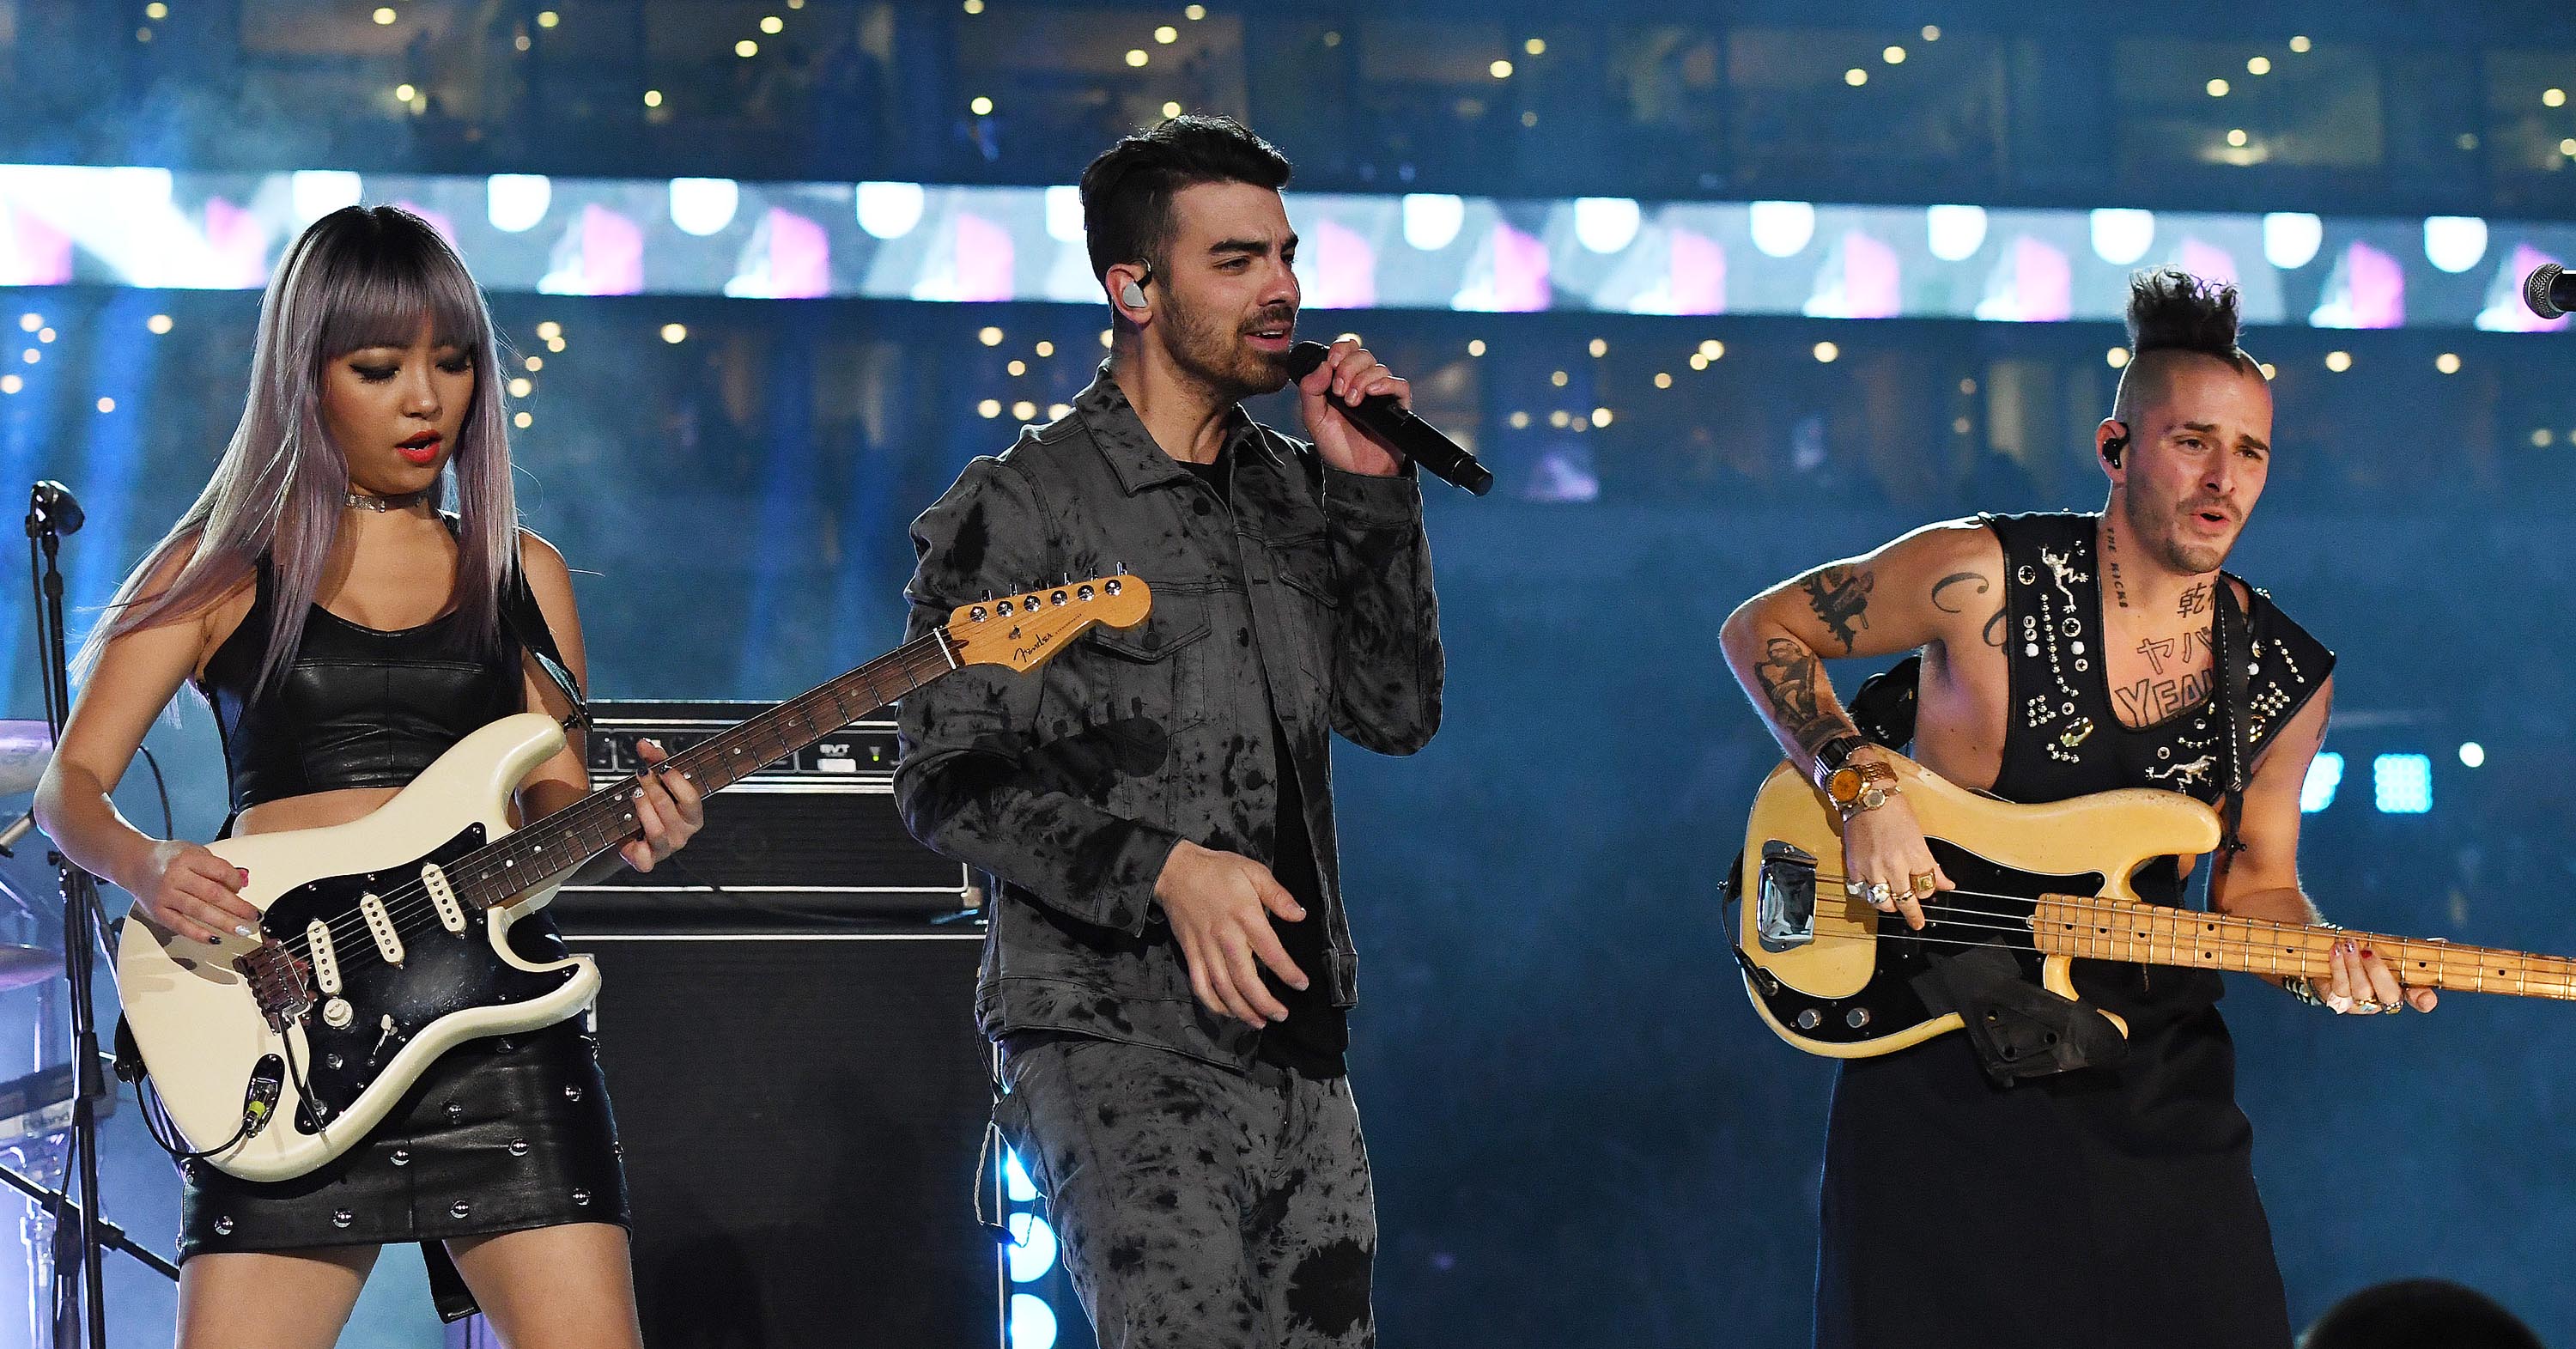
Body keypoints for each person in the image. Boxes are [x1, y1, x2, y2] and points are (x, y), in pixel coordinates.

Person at [1718, 268, 2432, 1349]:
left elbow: (2261, 887)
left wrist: (2327, 966)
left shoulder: (2283, 672)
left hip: (2158, 1096)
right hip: (1942, 1069)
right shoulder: (1980, 578)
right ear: (2116, 448)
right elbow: (1763, 628)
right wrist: (1858, 784)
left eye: (2250, 452)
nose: (2223, 478)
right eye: (2193, 441)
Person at [32, 205, 702, 1349]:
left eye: (453, 363)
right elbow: (68, 791)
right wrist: (147, 866)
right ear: (307, 375)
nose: (426, 399)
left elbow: (554, 810)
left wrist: (638, 824)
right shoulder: (223, 567)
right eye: (380, 366)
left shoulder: (520, 574)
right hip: (283, 1023)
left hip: (494, 1041)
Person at [894, 115, 1443, 1348]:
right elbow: (946, 776)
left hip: (1301, 1034)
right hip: (1111, 1024)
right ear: (1134, 287)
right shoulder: (1024, 505)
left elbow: (1396, 713)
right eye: (1238, 259)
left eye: (1287, 255)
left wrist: (1370, 492)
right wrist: (1166, 872)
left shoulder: (1299, 489)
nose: (1285, 288)